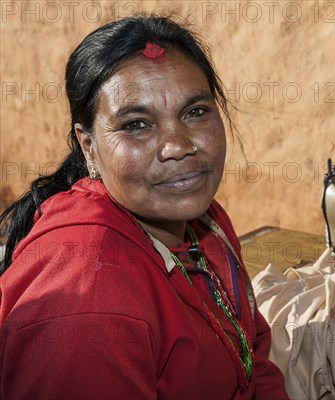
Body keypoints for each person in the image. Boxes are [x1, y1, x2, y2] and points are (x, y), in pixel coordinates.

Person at [0, 15, 289, 400]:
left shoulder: (205, 222)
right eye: (136, 124)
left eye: (195, 112)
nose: (178, 145)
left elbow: (254, 359)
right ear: (88, 146)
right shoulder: (89, 302)